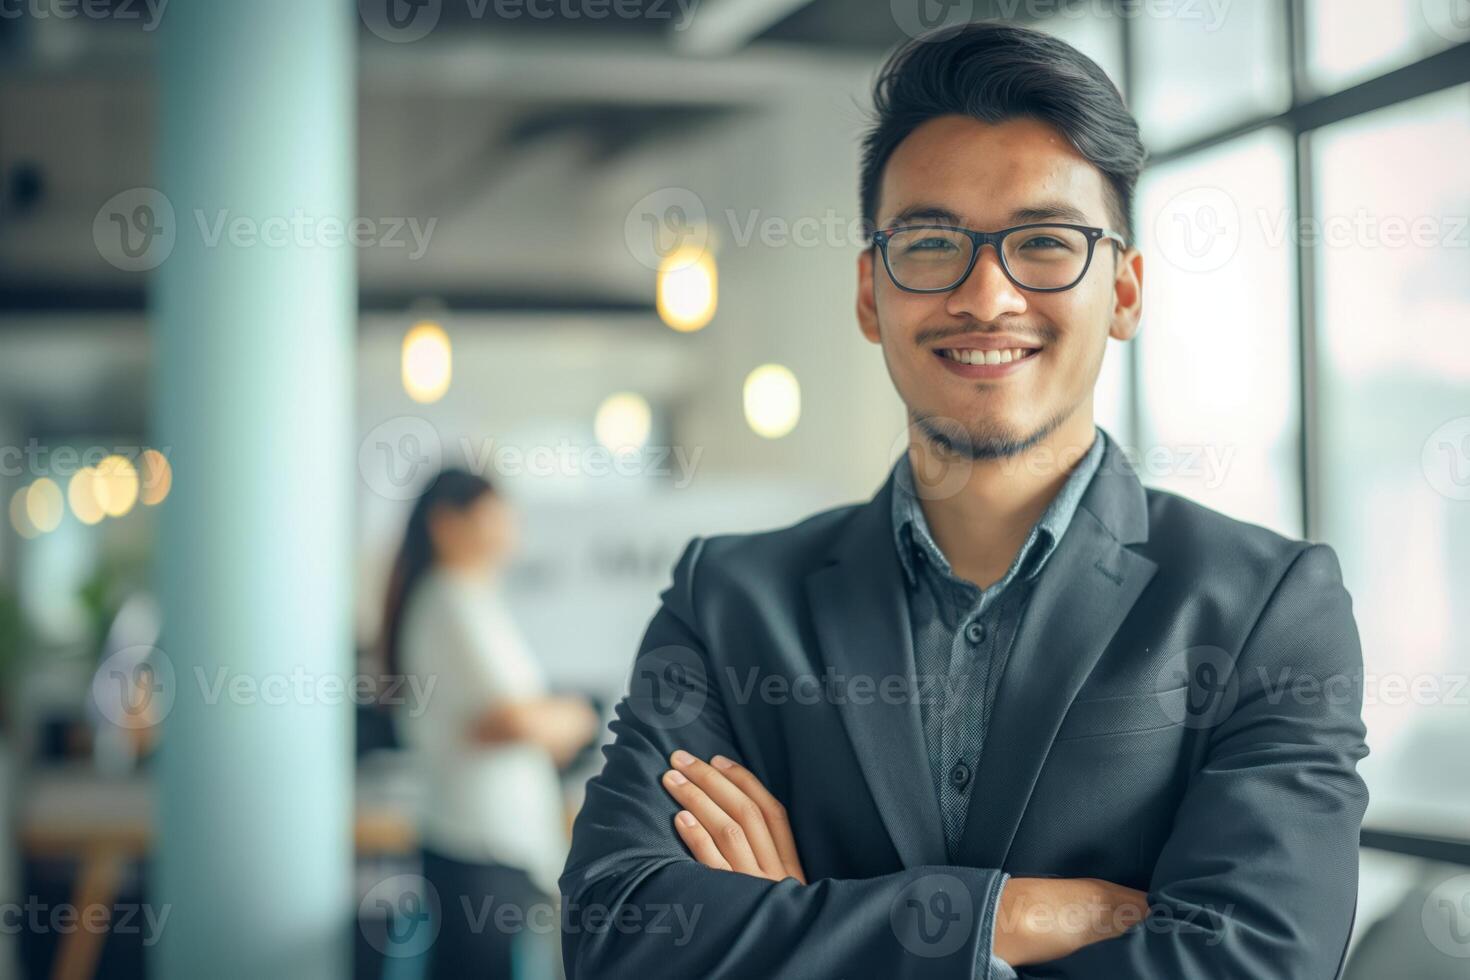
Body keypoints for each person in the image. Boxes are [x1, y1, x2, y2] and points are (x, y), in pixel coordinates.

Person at [560, 20, 1369, 980]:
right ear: (870, 291)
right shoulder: (728, 598)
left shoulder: (1267, 610)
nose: (986, 296)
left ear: (1125, 292)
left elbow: (1253, 966)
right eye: (932, 242)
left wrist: (797, 926)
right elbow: (617, 934)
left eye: (1045, 242)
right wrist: (1001, 920)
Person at [382, 468, 599, 978]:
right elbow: (511, 720)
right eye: (492, 515)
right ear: (445, 524)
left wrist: (552, 720)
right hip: (476, 846)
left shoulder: (472, 598)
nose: (507, 526)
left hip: (494, 844)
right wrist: (574, 716)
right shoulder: (449, 600)